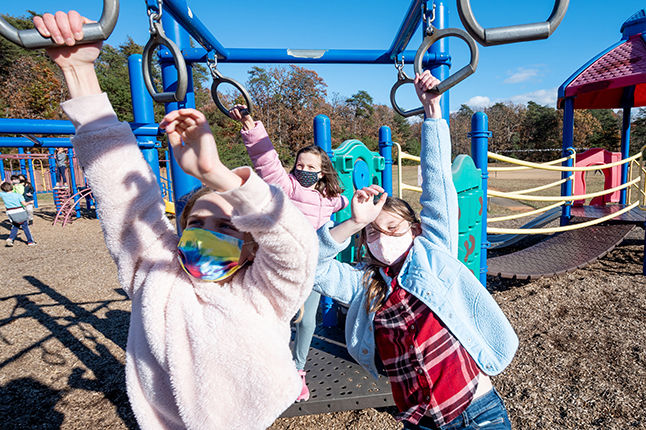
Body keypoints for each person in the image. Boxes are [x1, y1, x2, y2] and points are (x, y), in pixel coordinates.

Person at [34, 11, 317, 430]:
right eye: (199, 223)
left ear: (253, 244)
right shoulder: (154, 278)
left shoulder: (263, 293)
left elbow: (296, 247)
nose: (209, 235)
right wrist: (79, 73)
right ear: (180, 232)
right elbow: (120, 193)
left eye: (228, 228)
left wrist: (218, 176)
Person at [314, 71, 518, 430]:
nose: (383, 237)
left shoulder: (432, 253)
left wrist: (432, 113)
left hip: (477, 413)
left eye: (391, 228)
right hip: (420, 422)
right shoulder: (364, 286)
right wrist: (353, 223)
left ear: (415, 230)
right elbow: (311, 268)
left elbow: (437, 188)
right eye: (372, 232)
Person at [229, 105, 348, 402]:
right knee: (278, 318)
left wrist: (363, 199)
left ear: (322, 172)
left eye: (311, 168)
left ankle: (297, 370)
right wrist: (251, 126)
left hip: (313, 267)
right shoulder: (287, 187)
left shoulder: (329, 198)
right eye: (301, 165)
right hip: (282, 265)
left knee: (307, 321)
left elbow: (344, 202)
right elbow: (267, 162)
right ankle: (268, 366)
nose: (304, 171)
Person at [0, 181, 35, 246]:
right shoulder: (18, 195)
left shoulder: (3, 195)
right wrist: (30, 202)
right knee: (25, 226)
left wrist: (1, 184)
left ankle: (10, 238)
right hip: (20, 211)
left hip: (10, 212)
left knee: (15, 225)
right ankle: (30, 241)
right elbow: (24, 204)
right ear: (12, 187)